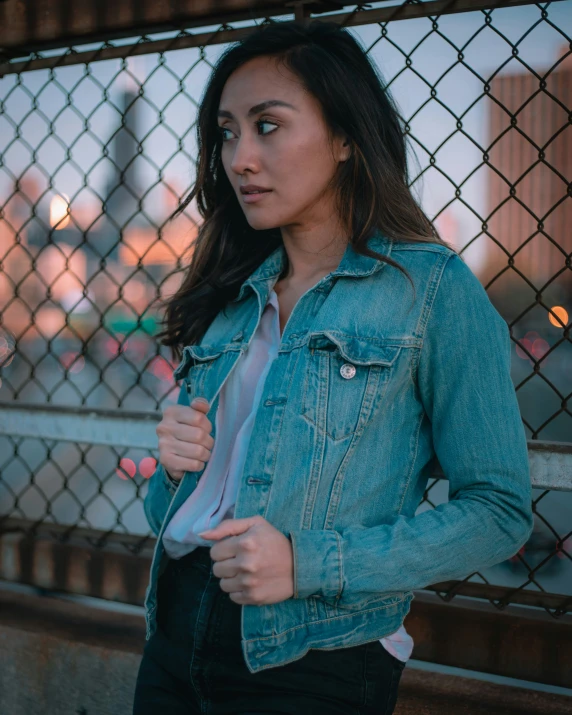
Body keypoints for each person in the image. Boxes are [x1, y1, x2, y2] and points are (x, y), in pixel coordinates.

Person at [132, 19, 533, 715]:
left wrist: (307, 562)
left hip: (314, 657)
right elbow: (170, 515)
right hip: (173, 626)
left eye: (267, 126)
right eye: (226, 132)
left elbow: (498, 511)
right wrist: (172, 469)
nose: (240, 158)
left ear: (346, 137)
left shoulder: (431, 291)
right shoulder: (229, 293)